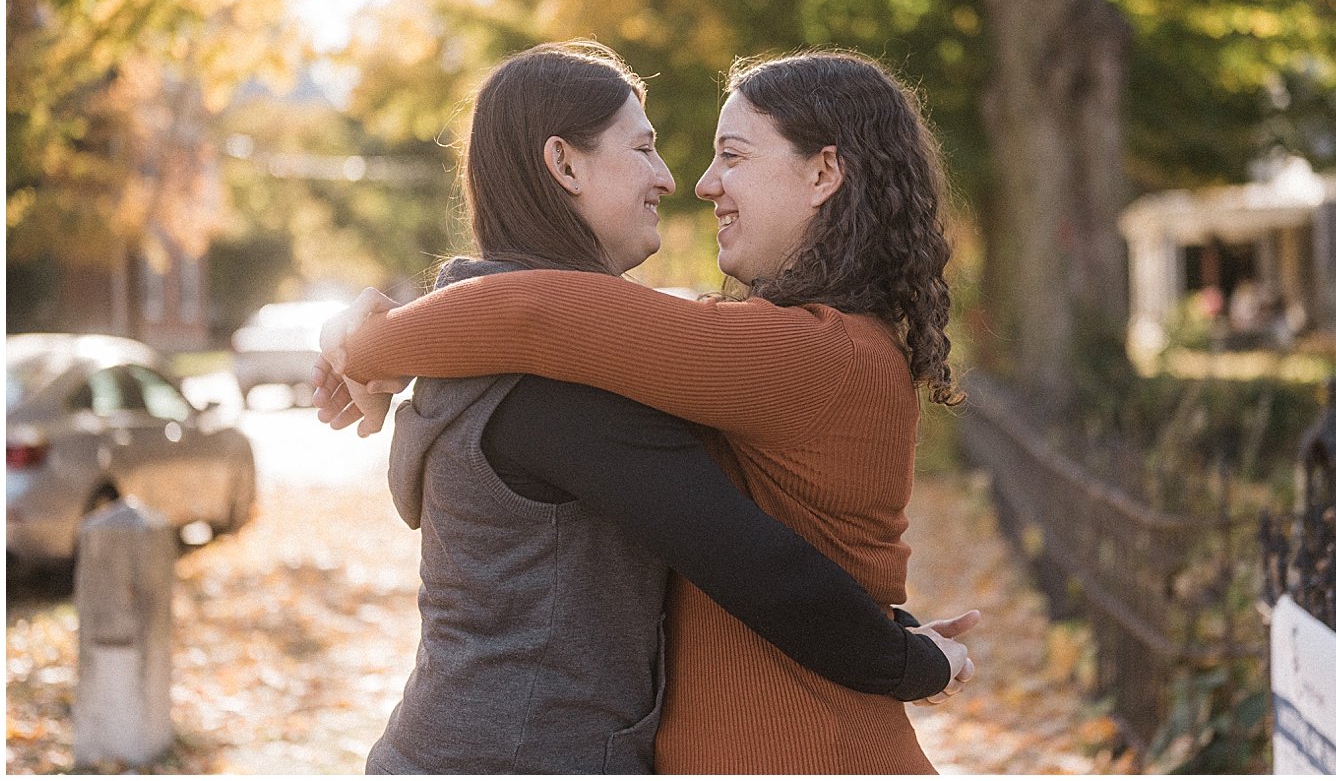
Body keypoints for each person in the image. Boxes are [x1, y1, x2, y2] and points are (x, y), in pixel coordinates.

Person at [316, 43, 975, 774]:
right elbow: (544, 312)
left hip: (798, 748)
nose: (689, 181)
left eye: (733, 156)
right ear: (565, 166)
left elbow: (538, 311)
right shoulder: (562, 381)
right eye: (645, 148)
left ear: (823, 174)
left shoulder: (808, 350)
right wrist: (905, 653)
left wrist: (366, 344)